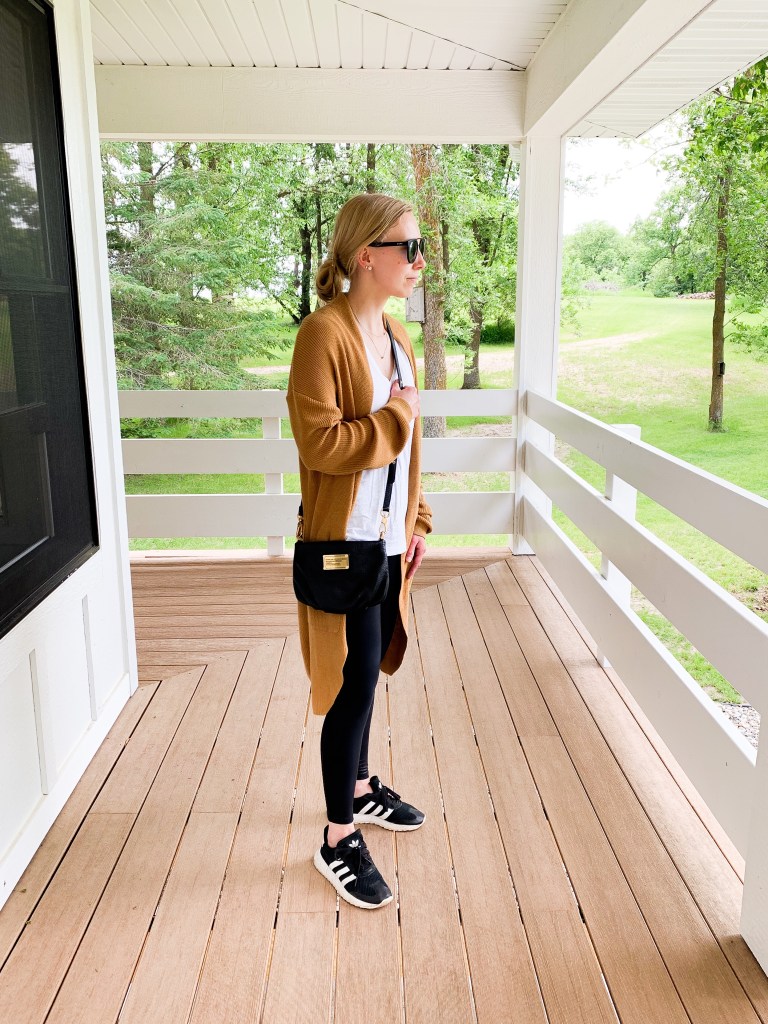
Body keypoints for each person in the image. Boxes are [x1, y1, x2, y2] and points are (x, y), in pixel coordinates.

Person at [286, 193, 433, 910]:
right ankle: (337, 835)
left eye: (421, 247)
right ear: (366, 254)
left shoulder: (397, 336)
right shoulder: (323, 335)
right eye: (410, 247)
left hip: (384, 539)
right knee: (351, 684)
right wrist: (398, 413)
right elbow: (321, 445)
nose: (420, 261)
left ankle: (361, 786)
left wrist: (417, 521)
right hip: (342, 543)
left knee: (369, 671)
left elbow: (408, 454)